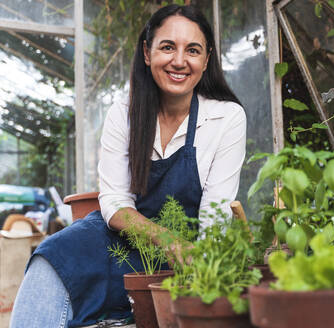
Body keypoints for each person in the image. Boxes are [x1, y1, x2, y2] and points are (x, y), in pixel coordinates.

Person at [10, 4, 246, 327]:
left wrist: (198, 267)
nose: (179, 60)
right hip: (120, 243)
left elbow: (214, 220)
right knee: (53, 260)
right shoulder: (123, 113)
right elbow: (116, 202)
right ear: (147, 53)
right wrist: (165, 239)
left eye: (192, 50)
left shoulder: (226, 118)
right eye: (167, 47)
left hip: (189, 255)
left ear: (207, 60)